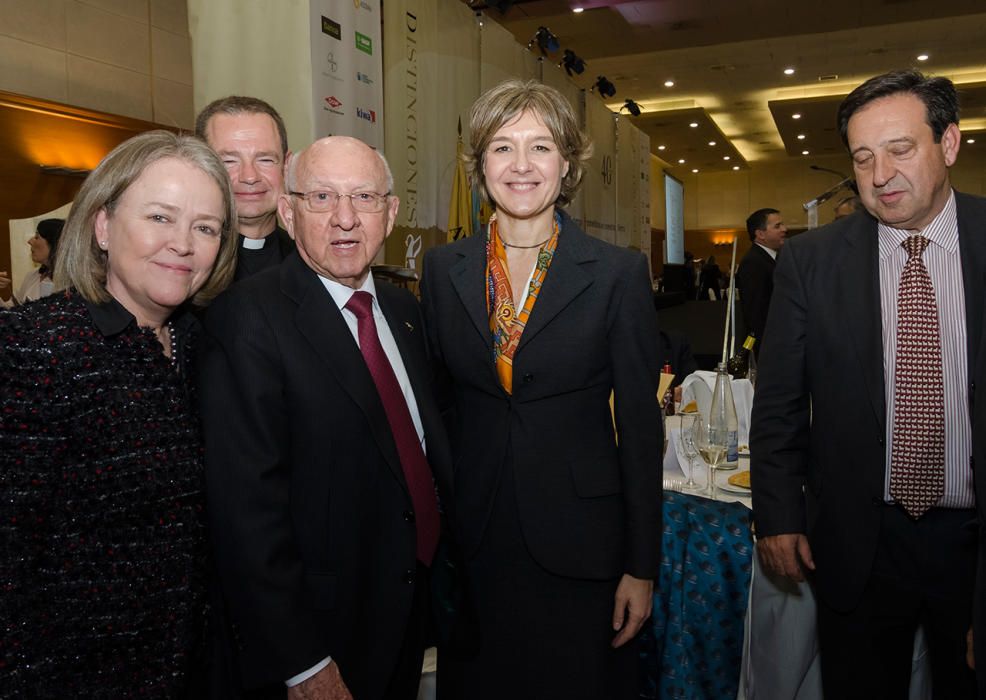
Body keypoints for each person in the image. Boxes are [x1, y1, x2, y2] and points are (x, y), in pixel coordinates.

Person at [420, 79, 663, 700]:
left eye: (541, 147)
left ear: (568, 163)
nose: (521, 166)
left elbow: (640, 428)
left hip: (582, 542)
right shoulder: (445, 270)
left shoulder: (616, 273)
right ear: (479, 166)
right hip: (475, 539)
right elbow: (439, 407)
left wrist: (642, 565)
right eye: (502, 148)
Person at [751, 69, 983, 698]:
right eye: (863, 158)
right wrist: (775, 515)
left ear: (950, 143)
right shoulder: (810, 261)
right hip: (857, 541)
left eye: (900, 150)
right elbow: (778, 403)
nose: (880, 175)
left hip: (972, 546)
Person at [199, 136, 452, 700]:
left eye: (363, 197)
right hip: (323, 630)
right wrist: (303, 662)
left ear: (389, 213)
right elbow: (246, 514)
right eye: (321, 197)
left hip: (409, 605)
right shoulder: (246, 319)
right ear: (288, 212)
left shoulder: (406, 312)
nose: (344, 219)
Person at [0, 130, 237, 695]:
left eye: (205, 227)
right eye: (160, 217)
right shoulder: (37, 347)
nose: (183, 243)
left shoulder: (204, 348)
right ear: (103, 226)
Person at [195, 95, 295, 280]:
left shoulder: (315, 262)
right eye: (229, 161)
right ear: (200, 166)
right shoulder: (182, 263)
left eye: (265, 159)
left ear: (286, 165)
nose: (250, 177)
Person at [735, 208, 786, 356]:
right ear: (760, 234)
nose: (785, 229)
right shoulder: (754, 263)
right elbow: (756, 313)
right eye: (777, 226)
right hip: (768, 345)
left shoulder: (771, 258)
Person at [0, 218, 65, 307]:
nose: (30, 241)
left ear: (54, 243)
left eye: (37, 237)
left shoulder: (71, 283)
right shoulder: (33, 275)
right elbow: (12, 310)